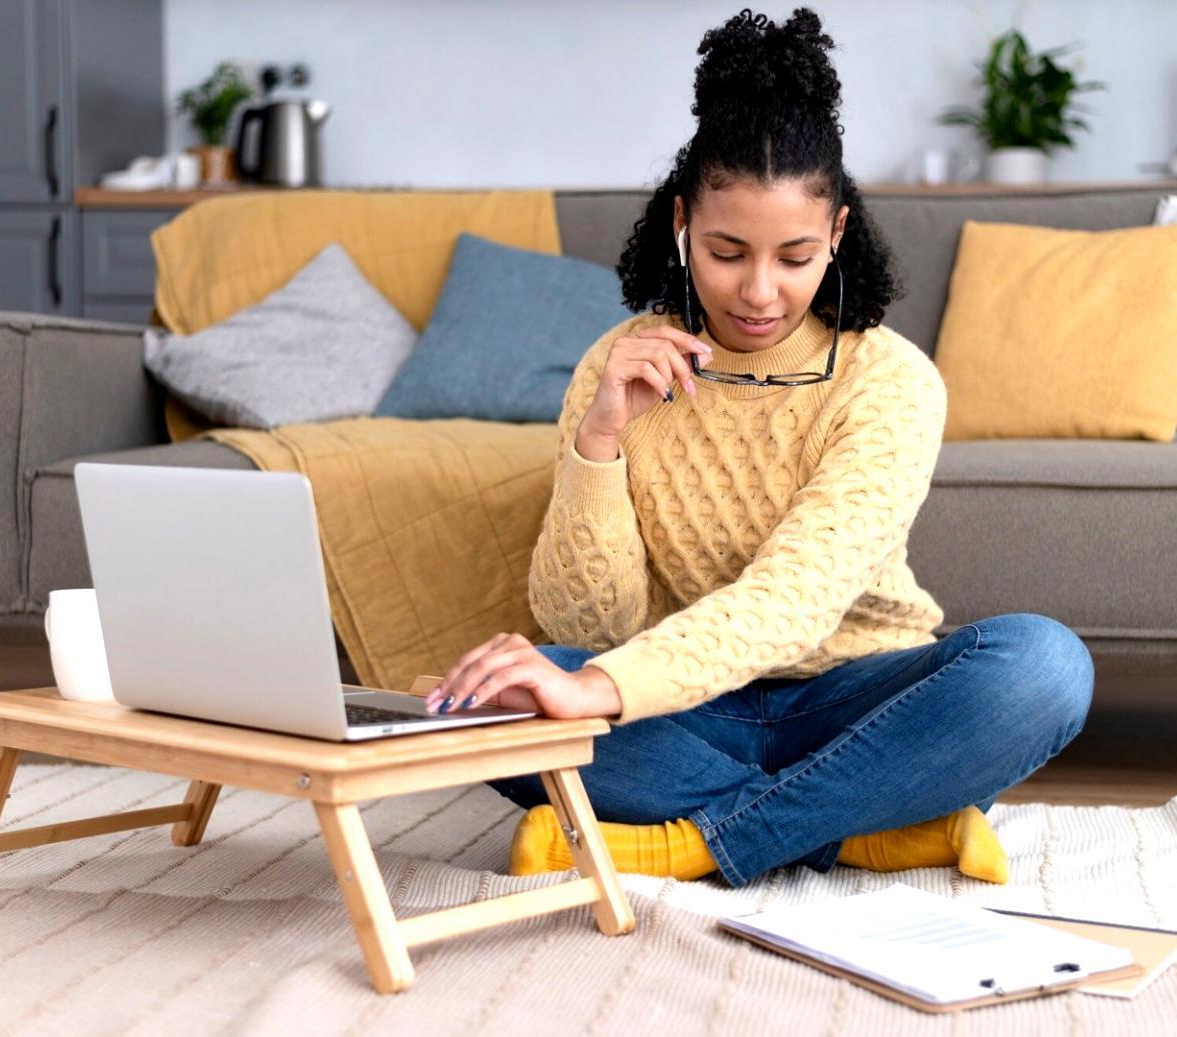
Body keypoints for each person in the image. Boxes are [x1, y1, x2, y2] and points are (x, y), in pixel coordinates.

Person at [421, 7, 1093, 888]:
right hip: (688, 710)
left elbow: (794, 600)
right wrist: (599, 440)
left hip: (858, 702)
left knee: (1043, 666)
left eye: (795, 256)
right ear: (680, 225)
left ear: (837, 235)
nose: (759, 292)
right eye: (727, 252)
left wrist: (600, 690)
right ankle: (864, 828)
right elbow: (591, 629)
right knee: (496, 697)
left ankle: (686, 842)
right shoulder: (616, 365)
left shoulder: (889, 379)